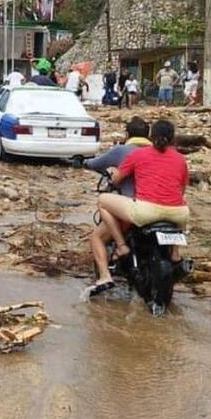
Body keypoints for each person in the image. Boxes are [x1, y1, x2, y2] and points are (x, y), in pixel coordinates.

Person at [88, 119, 190, 295]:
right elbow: (182, 189)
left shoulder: (137, 155)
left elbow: (117, 179)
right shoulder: (180, 159)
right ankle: (175, 253)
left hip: (146, 211)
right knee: (180, 206)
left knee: (103, 201)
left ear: (152, 137)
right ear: (173, 139)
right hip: (179, 215)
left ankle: (117, 253)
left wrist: (112, 175)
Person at [80, 117, 153, 294]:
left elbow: (97, 164)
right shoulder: (158, 153)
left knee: (96, 237)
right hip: (160, 206)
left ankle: (106, 274)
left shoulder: (122, 151)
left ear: (127, 134)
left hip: (134, 208)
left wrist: (83, 162)